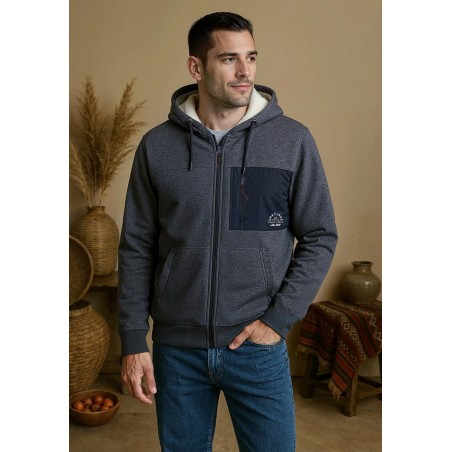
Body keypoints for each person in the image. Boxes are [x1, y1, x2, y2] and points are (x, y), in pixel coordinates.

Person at [118, 11, 337, 452]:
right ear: (196, 67)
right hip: (178, 349)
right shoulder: (157, 146)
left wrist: (277, 320)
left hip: (256, 345)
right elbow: (137, 246)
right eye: (229, 59)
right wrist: (132, 338)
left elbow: (319, 236)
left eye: (251, 57)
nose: (245, 72)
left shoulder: (290, 141)